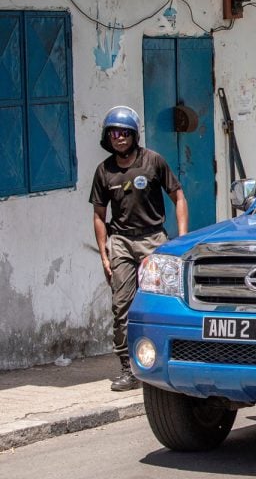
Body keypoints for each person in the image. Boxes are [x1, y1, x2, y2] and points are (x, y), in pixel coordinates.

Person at [89, 106, 188, 391]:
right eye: (113, 133)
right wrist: (104, 254)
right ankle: (127, 368)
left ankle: (163, 361)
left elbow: (178, 197)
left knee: (161, 302)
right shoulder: (103, 171)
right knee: (121, 306)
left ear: (134, 135)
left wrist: (181, 240)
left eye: (124, 133)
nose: (119, 138)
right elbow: (98, 215)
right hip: (120, 240)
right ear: (107, 138)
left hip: (153, 239)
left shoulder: (153, 161)